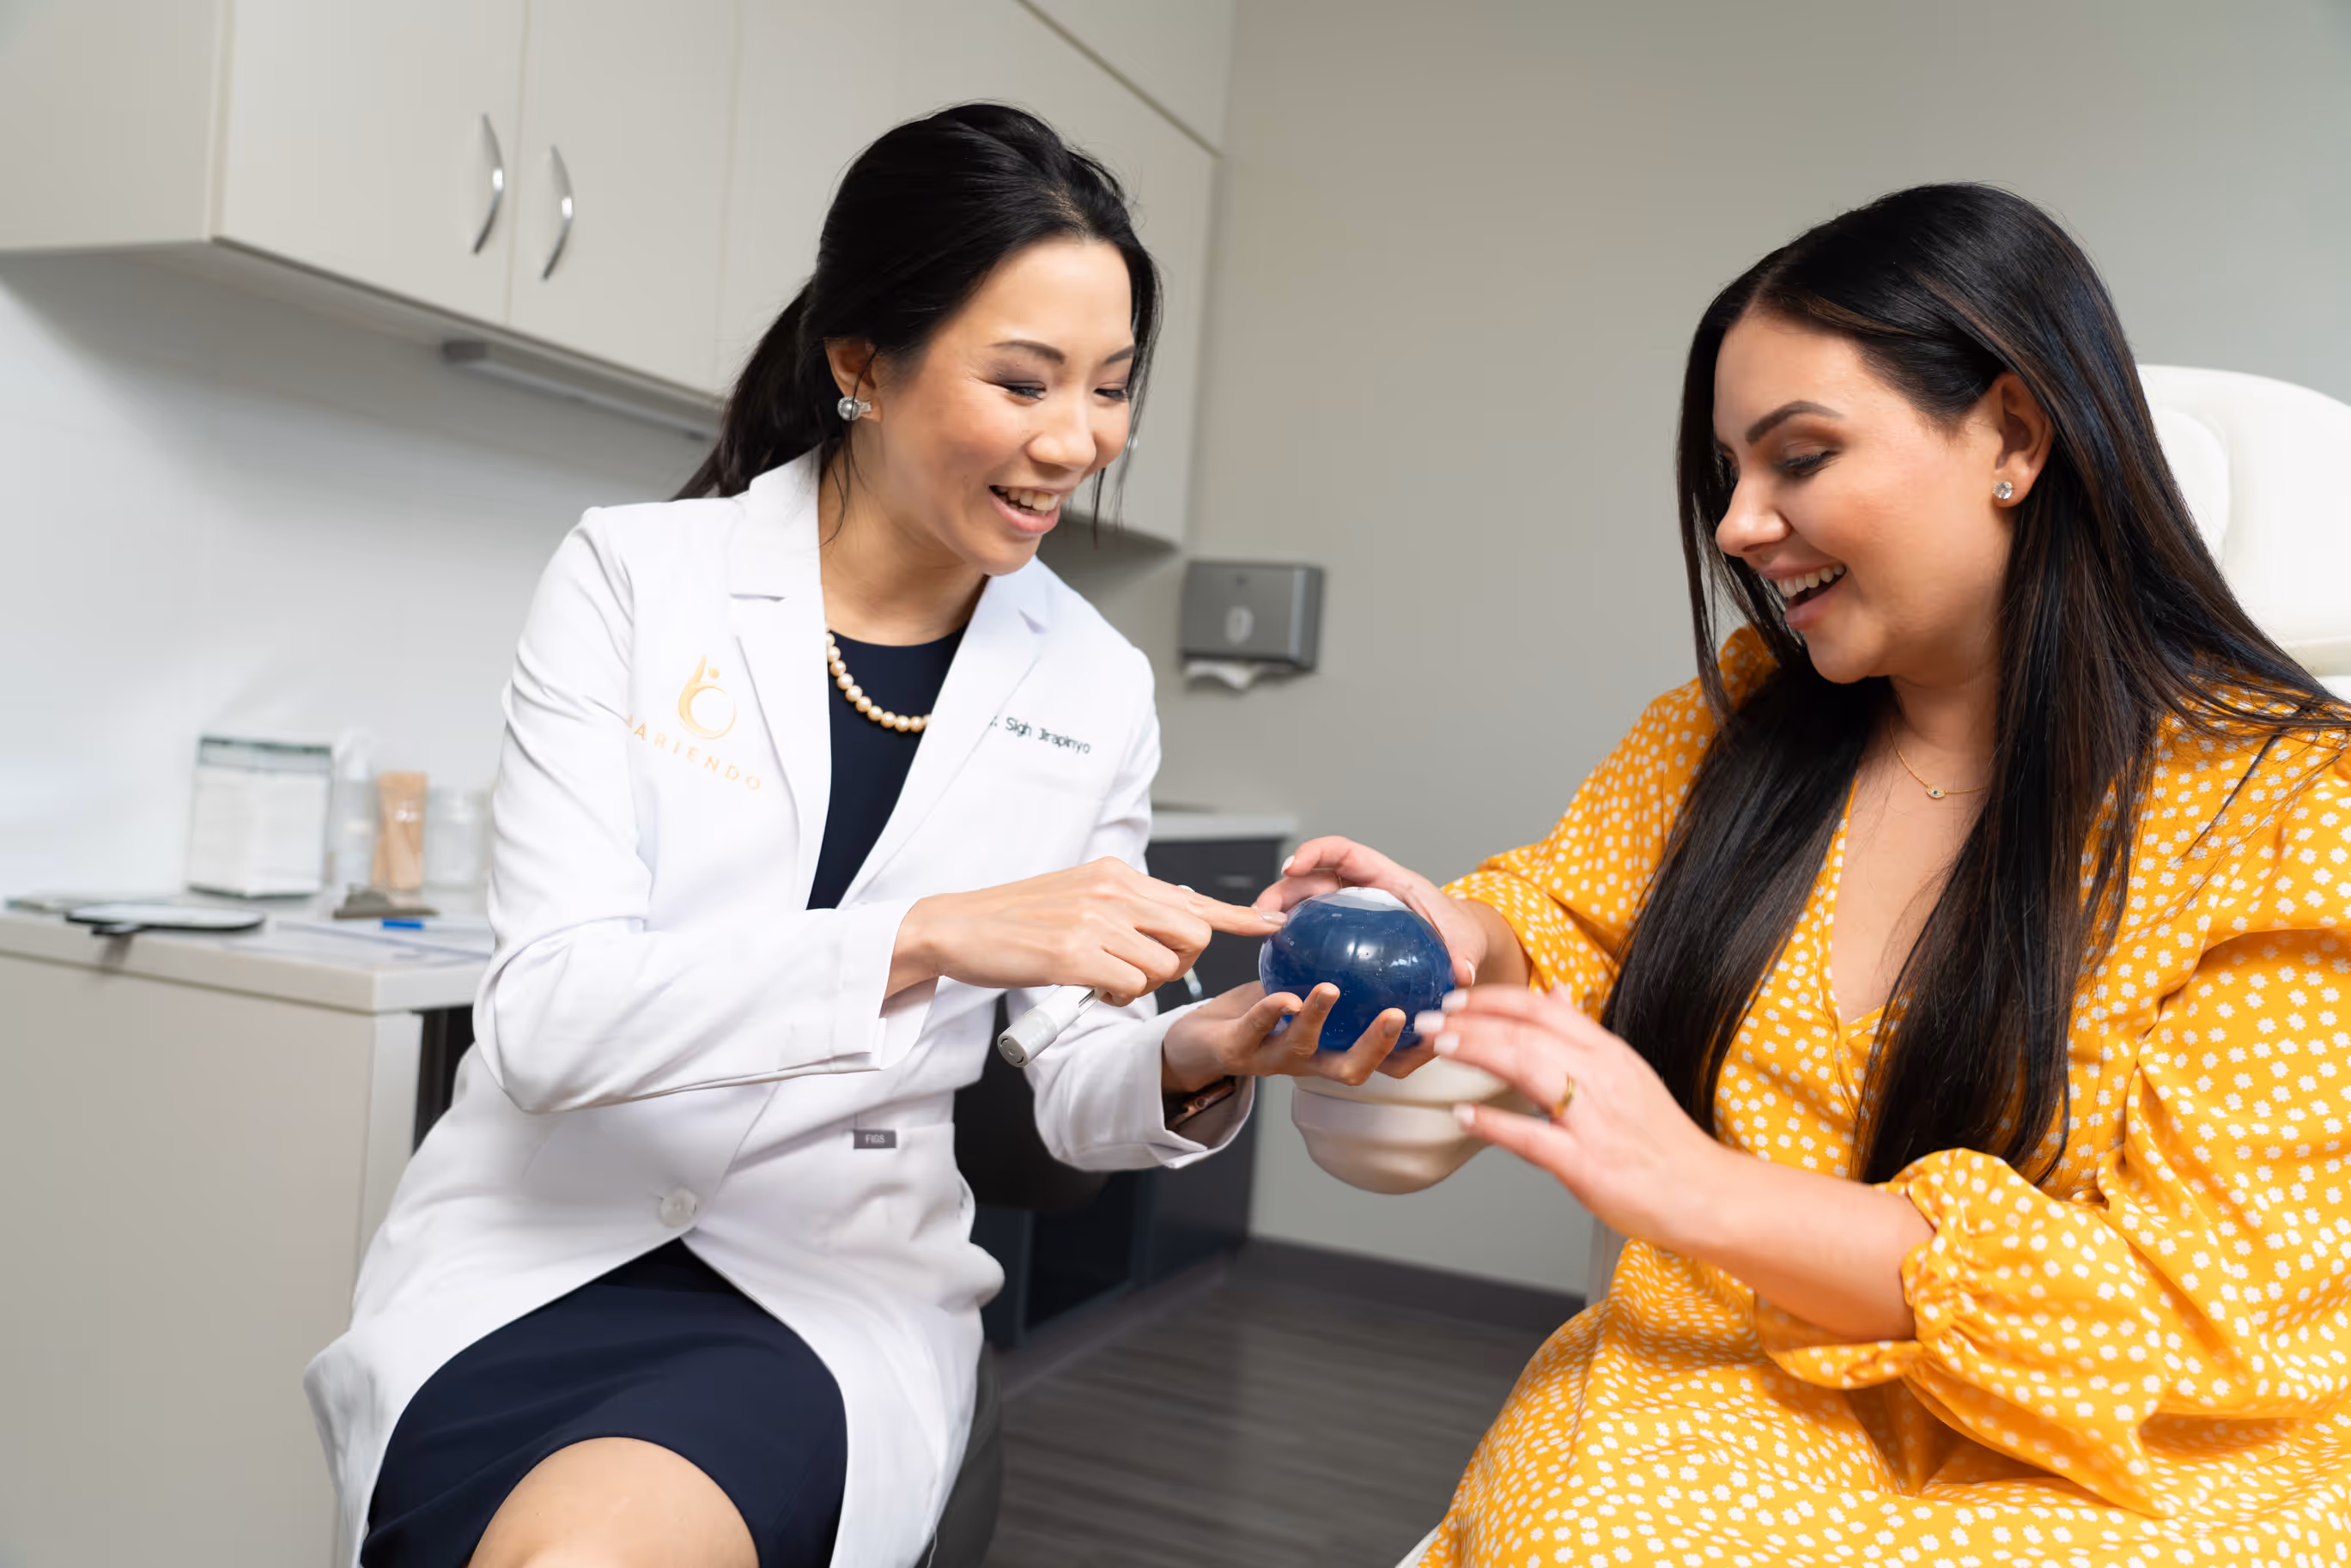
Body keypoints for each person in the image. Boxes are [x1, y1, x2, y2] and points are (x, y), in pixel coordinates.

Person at [306, 104, 1410, 1568]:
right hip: (536, 1249)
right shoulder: (635, 580)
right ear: (860, 367)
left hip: (822, 1279)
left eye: (1111, 387)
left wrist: (1197, 1054)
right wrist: (920, 935)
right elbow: (547, 1024)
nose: (1075, 441)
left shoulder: (1089, 681)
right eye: (1022, 381)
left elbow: (1070, 1080)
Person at [1261, 185, 2351, 1565]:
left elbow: (2192, 1312)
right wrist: (1450, 931)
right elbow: (1564, 922)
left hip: (2130, 1462)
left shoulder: (2294, 806)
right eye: (1729, 474)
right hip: (1727, 1385)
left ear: (2012, 436)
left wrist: (1699, 1190)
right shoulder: (1733, 730)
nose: (1736, 525)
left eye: (1799, 457)